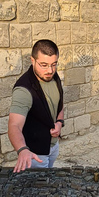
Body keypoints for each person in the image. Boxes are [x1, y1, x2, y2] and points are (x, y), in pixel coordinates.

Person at [8, 39, 65, 172]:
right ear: (32, 60)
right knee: (39, 189)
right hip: (35, 153)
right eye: (43, 65)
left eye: (54, 64)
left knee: (49, 179)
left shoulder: (54, 77)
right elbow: (14, 126)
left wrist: (59, 122)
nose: (50, 70)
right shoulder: (23, 90)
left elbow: (60, 104)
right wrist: (22, 150)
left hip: (53, 146)